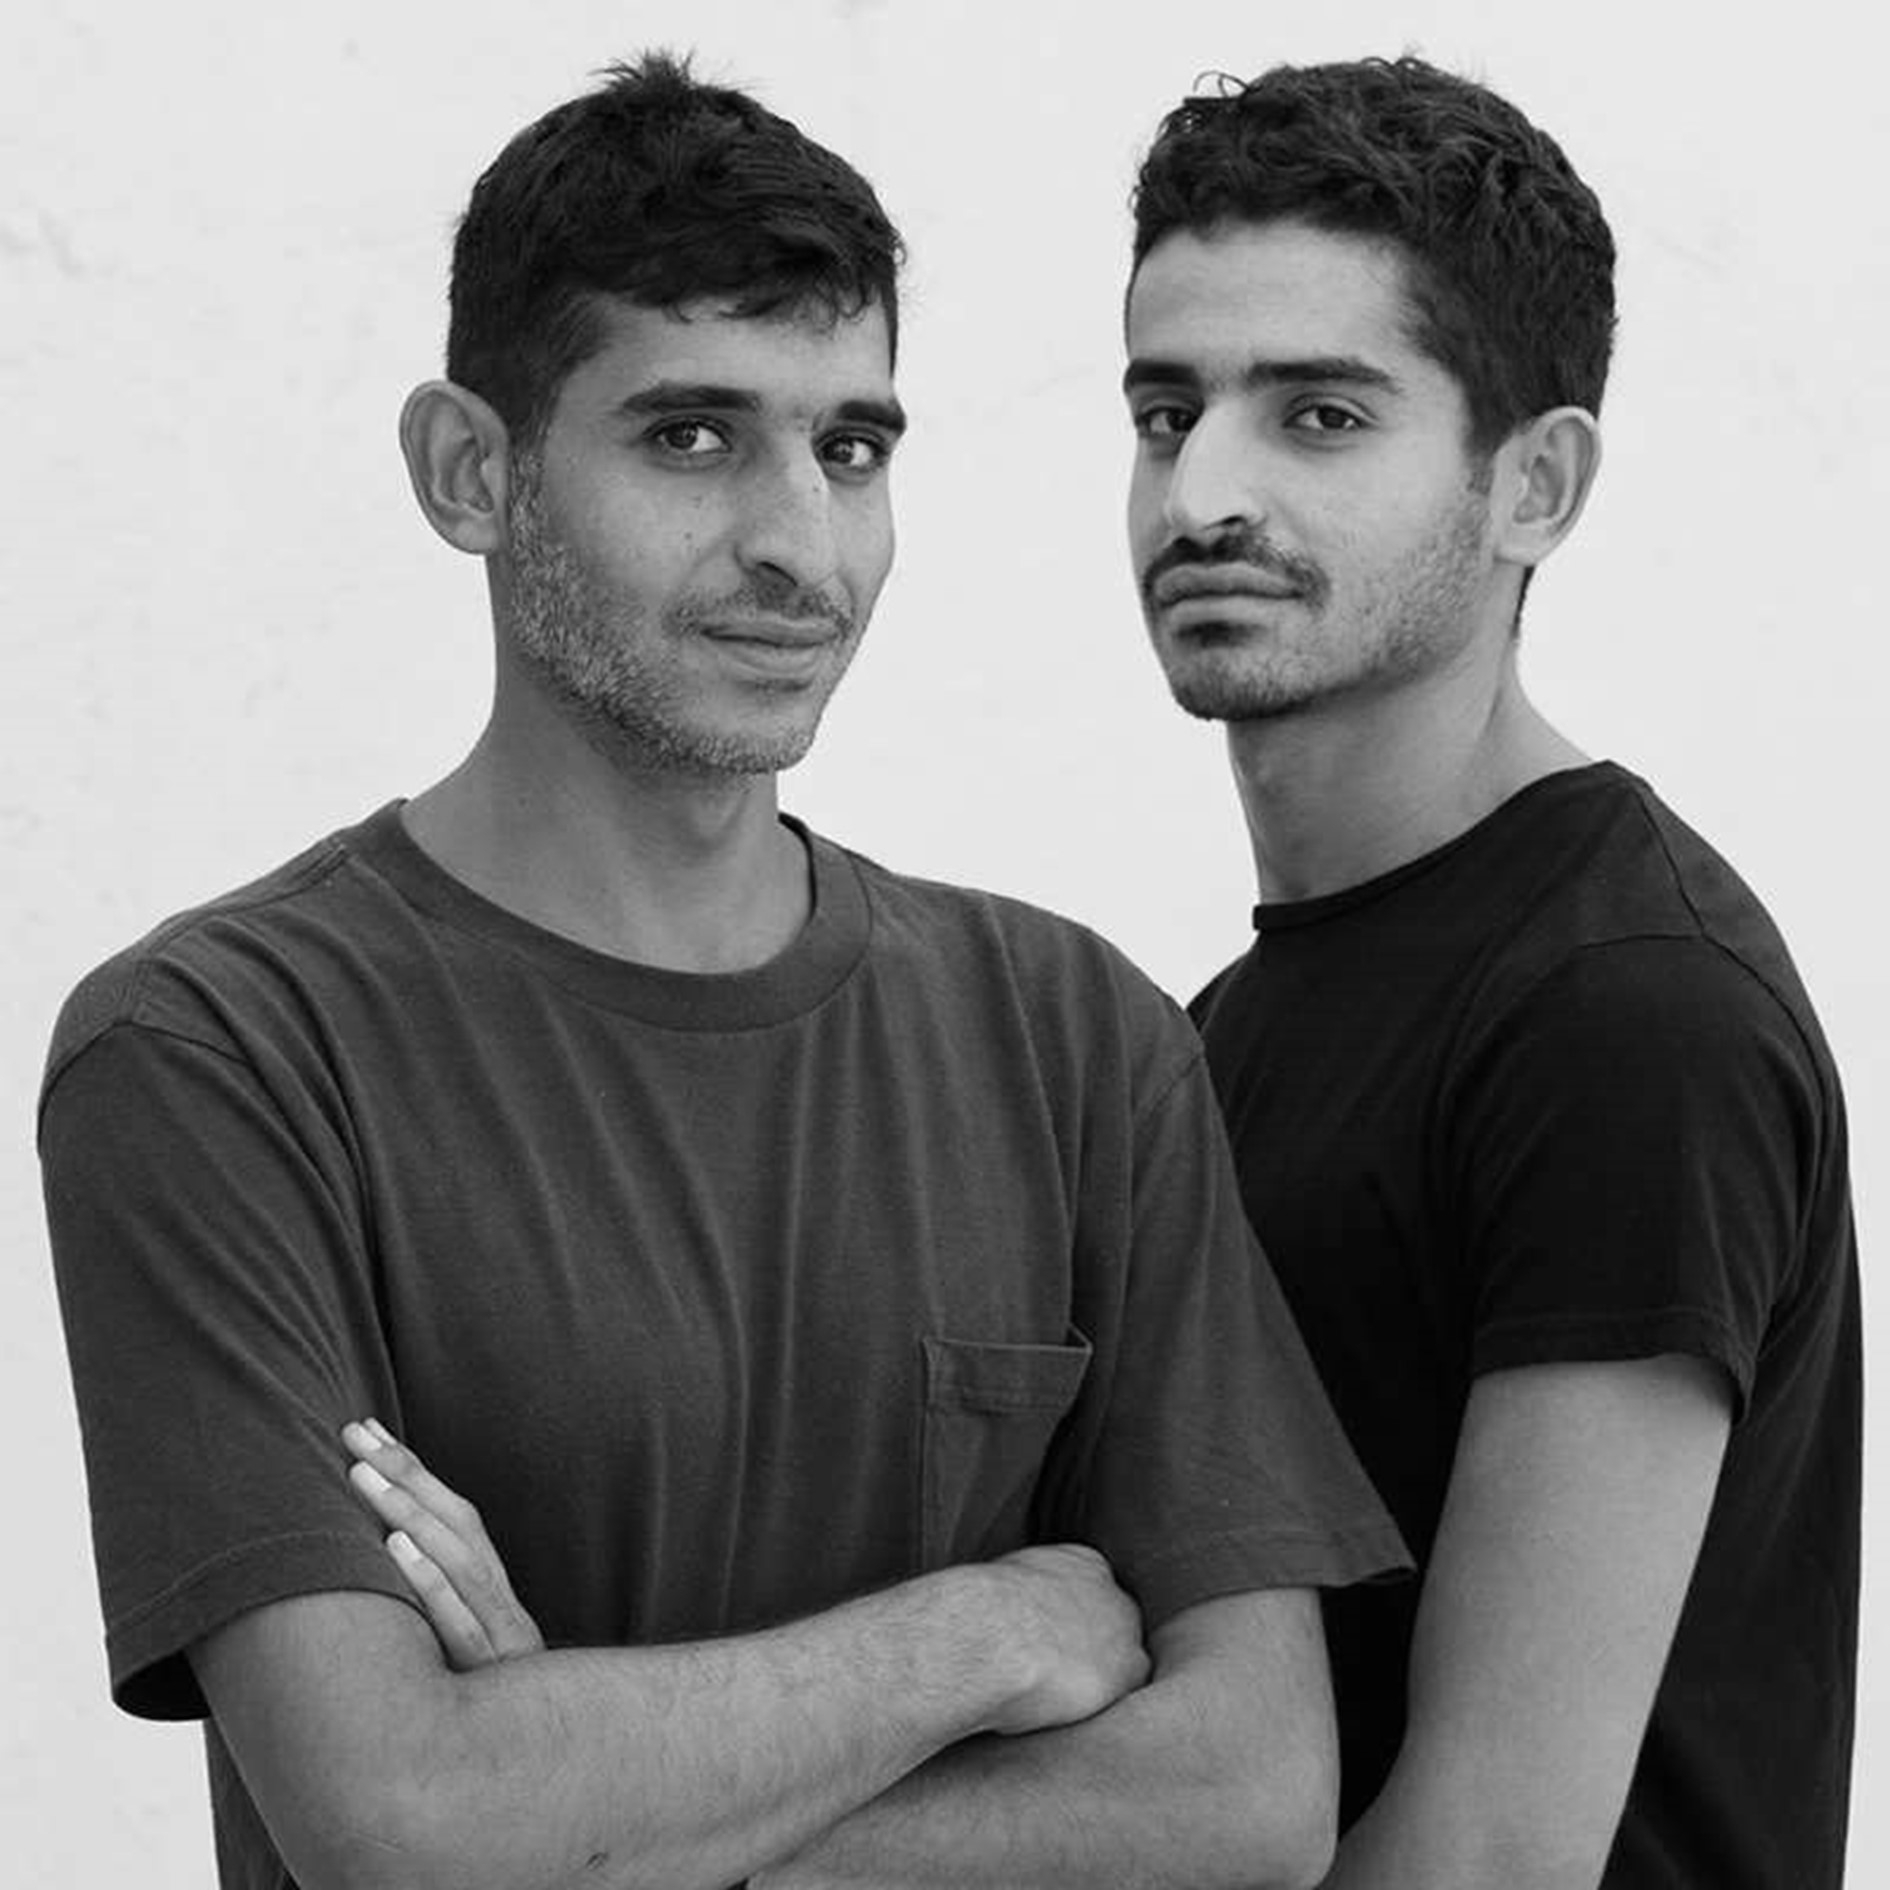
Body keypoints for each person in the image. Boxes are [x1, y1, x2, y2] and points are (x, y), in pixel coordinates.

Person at [38, 52, 1408, 1890]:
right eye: (690, 437)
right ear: (470, 470)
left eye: (849, 449)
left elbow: (1247, 1798)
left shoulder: (1073, 1036)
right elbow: (401, 1824)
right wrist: (975, 1637)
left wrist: (593, 1807)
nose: (796, 545)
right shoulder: (221, 1050)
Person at [1120, 54, 1861, 1890]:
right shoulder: (1214, 1031)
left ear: (1534, 483)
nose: (1199, 492)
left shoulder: (1624, 1011)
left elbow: (1490, 1855)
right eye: (1164, 409)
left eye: (1316, 415)